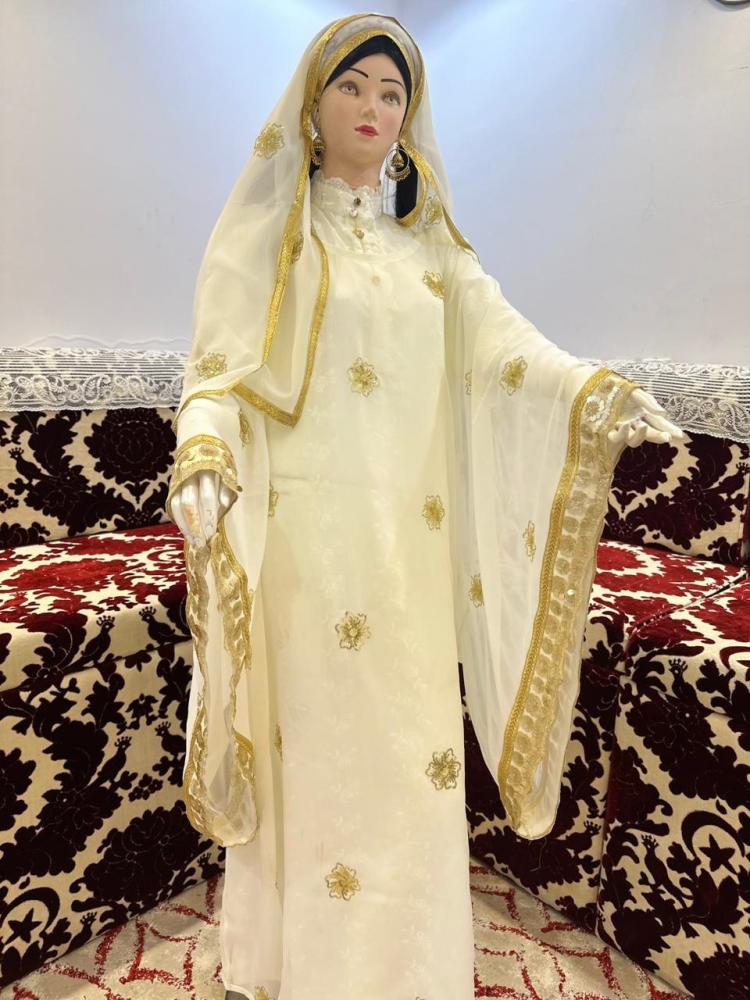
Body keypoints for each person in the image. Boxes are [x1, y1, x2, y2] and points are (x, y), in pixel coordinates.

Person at [165, 13, 683, 1000]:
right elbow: (217, 377)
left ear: (410, 116)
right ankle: (298, 970)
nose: (374, 106)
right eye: (353, 86)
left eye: (393, 93)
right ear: (312, 105)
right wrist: (202, 451)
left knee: (413, 757)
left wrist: (591, 393)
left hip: (409, 548)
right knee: (316, 753)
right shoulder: (271, 241)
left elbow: (508, 346)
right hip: (311, 548)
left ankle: (406, 972)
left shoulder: (431, 249)